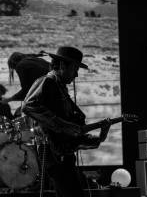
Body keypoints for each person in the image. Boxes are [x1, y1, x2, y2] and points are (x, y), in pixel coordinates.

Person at [21, 46, 111, 197]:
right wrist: (63, 125)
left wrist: (100, 137)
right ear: (62, 66)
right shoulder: (47, 81)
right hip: (53, 153)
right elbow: (29, 105)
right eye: (75, 69)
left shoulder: (60, 87)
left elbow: (73, 130)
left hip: (61, 153)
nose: (76, 75)